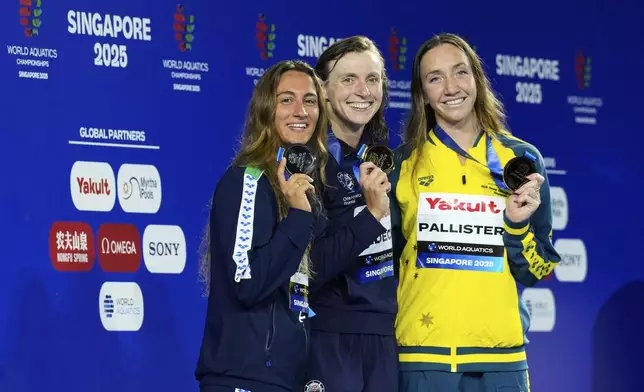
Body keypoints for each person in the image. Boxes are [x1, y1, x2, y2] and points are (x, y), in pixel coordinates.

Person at [194, 60, 391, 392]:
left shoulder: (301, 186)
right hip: (243, 378)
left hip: (286, 378)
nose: (300, 111)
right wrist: (299, 218)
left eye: (310, 101)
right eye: (287, 99)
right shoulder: (248, 179)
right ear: (266, 110)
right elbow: (248, 282)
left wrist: (371, 218)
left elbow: (314, 270)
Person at [388, 33, 561, 391]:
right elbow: (383, 265)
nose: (451, 88)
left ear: (477, 79)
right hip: (425, 358)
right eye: (435, 78)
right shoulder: (403, 163)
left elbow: (538, 270)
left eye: (460, 73)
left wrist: (514, 226)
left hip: (502, 360)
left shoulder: (521, 161)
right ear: (422, 94)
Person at [302, 36, 398, 392]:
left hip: (386, 338)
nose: (363, 90)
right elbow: (310, 269)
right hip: (329, 335)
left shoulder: (388, 161)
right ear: (323, 89)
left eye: (372, 79)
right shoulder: (305, 164)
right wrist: (370, 215)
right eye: (349, 79)